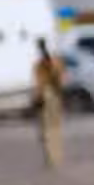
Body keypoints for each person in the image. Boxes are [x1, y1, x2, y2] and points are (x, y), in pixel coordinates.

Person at [31, 38, 65, 170]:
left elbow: (44, 82)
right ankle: (53, 156)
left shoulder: (45, 63)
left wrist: (37, 98)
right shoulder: (46, 63)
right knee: (50, 130)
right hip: (51, 97)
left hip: (49, 97)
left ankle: (53, 157)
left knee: (49, 130)